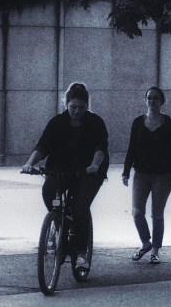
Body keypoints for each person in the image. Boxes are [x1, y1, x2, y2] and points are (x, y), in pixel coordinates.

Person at [21, 82, 109, 272]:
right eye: (72, 107)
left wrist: (94, 165)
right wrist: (29, 164)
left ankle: (81, 253)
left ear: (87, 106)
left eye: (81, 107)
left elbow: (100, 148)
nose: (76, 111)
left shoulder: (95, 123)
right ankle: (59, 224)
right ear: (66, 104)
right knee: (49, 191)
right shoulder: (57, 122)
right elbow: (42, 147)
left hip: (88, 171)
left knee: (79, 208)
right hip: (61, 168)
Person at [122, 86, 171, 263]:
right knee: (137, 212)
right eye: (149, 98)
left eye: (155, 98)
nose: (152, 101)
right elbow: (131, 148)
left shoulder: (170, 124)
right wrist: (126, 171)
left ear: (162, 101)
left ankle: (155, 250)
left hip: (162, 175)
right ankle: (146, 242)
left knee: (157, 214)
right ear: (145, 100)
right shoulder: (138, 123)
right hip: (141, 173)